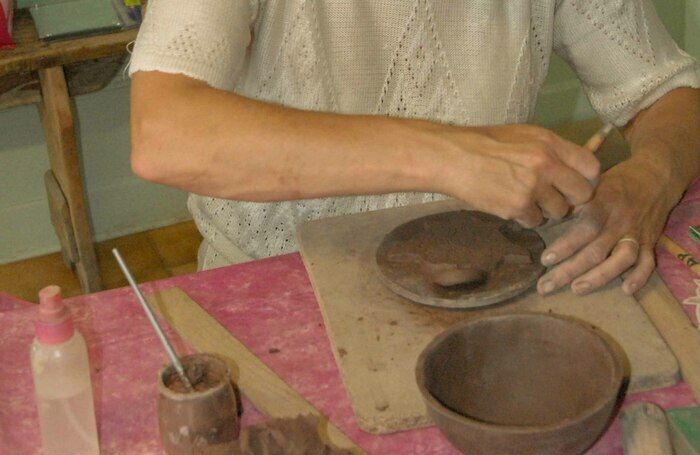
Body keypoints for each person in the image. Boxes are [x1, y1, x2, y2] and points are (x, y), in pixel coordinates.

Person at [128, 0, 699, 296]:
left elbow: (669, 91)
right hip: (279, 282)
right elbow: (165, 134)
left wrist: (651, 176)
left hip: (483, 273)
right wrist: (448, 156)